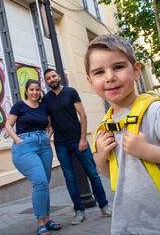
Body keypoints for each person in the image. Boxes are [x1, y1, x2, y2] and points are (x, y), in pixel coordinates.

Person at [84, 34, 160, 235]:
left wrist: (147, 150)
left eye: (118, 67)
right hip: (129, 224)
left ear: (136, 70)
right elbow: (106, 172)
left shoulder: (155, 111)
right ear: (90, 81)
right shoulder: (105, 125)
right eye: (99, 72)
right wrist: (102, 156)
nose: (110, 77)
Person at [43, 69, 111, 225]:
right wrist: (47, 138)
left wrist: (83, 139)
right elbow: (51, 125)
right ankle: (79, 211)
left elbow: (83, 115)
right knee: (70, 179)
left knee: (92, 174)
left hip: (78, 140)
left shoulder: (71, 92)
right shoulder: (46, 100)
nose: (52, 79)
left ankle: (104, 205)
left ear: (58, 77)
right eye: (48, 78)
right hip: (61, 144)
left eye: (53, 76)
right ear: (46, 82)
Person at [5, 79, 62, 235]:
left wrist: (47, 137)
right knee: (40, 181)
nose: (35, 92)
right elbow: (8, 125)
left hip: (43, 146)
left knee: (44, 183)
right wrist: (18, 140)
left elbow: (49, 125)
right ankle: (40, 222)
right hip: (25, 147)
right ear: (26, 91)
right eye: (32, 90)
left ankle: (48, 218)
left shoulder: (43, 107)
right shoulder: (19, 106)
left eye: (37, 90)